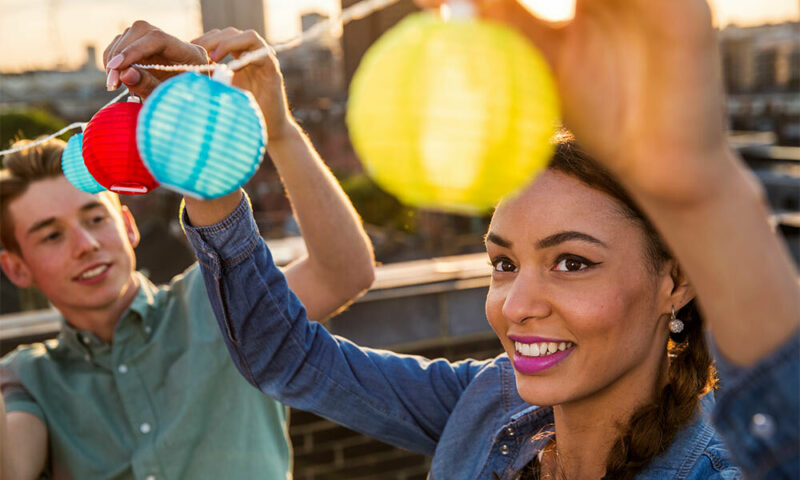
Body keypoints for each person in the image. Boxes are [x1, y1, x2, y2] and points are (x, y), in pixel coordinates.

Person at [176, 0, 799, 478]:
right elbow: (285, 357)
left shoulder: (725, 466)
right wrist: (225, 154)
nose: (516, 304)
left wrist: (702, 192)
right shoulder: (487, 403)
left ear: (677, 280)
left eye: (572, 261)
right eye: (503, 262)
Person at [0, 24, 375, 480]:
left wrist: (277, 129)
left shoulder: (221, 301)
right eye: (50, 235)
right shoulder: (30, 379)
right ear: (15, 268)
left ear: (128, 226)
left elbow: (345, 273)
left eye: (96, 218)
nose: (87, 244)